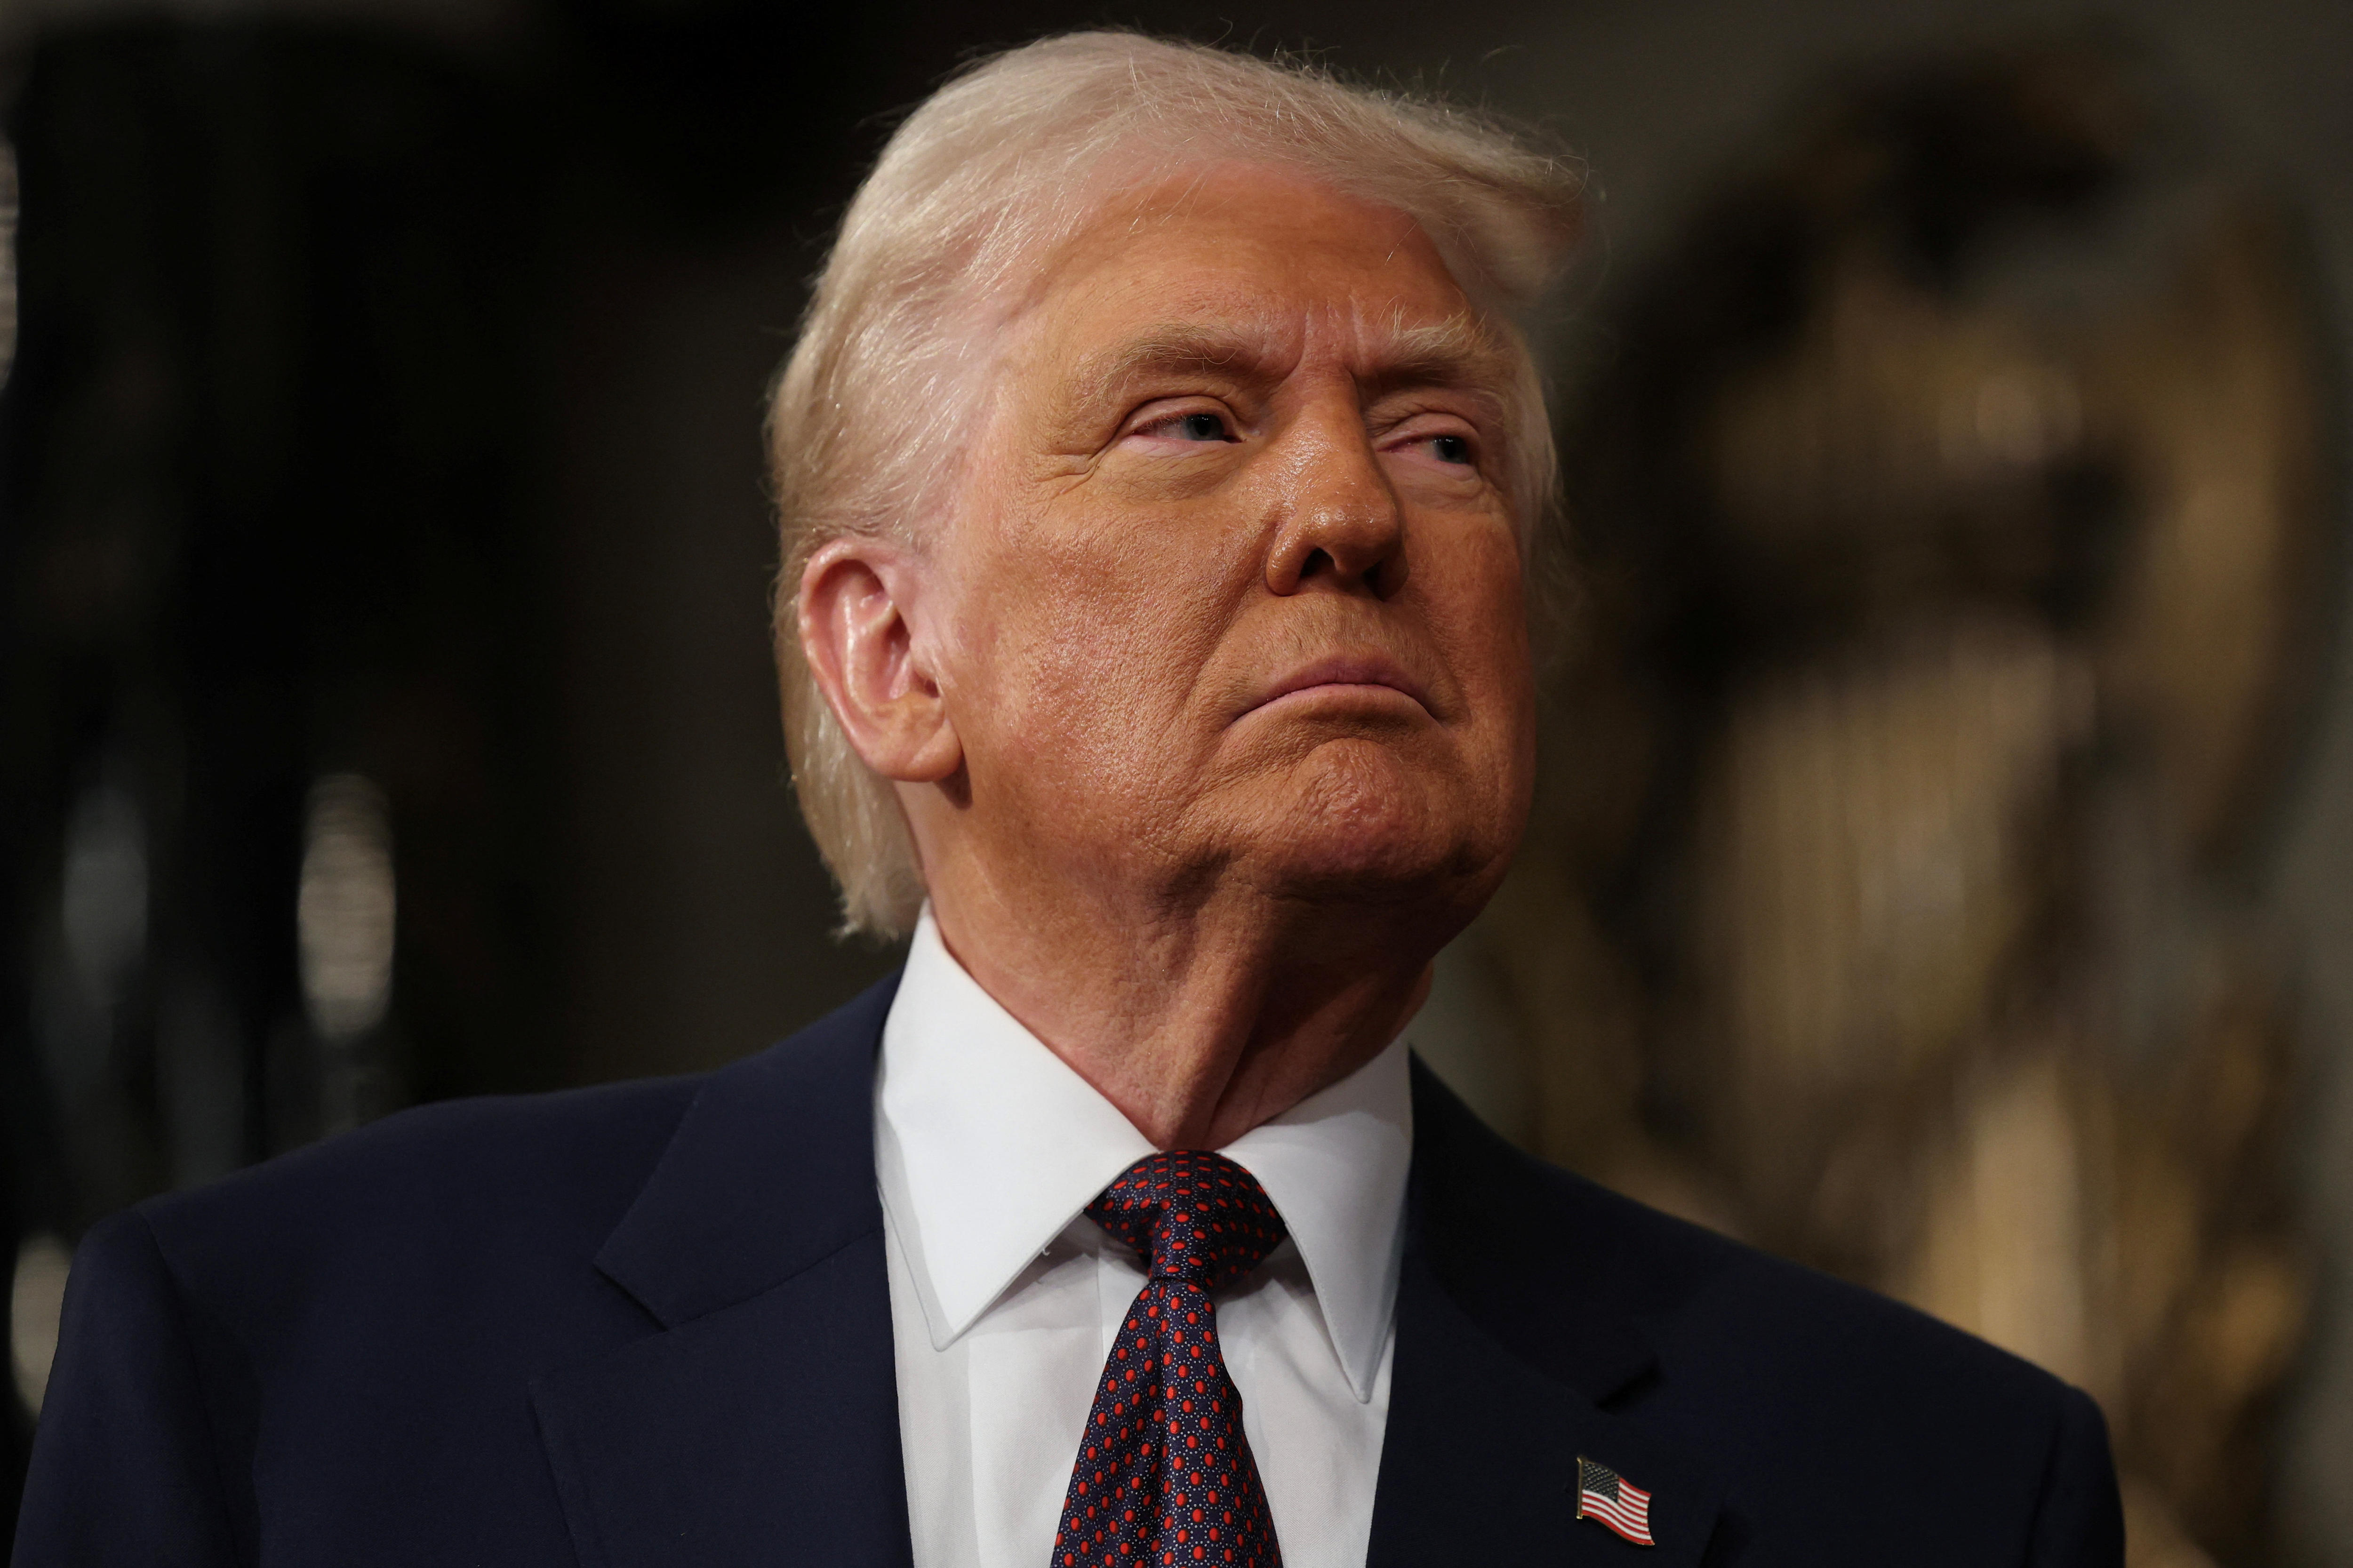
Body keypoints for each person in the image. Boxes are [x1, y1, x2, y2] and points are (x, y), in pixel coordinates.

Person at [15, 32, 2122, 1567]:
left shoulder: (1920, 1481)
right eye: (1192, 418)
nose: (1344, 509)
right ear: (889, 656)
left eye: (1444, 442)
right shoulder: (290, 1367)